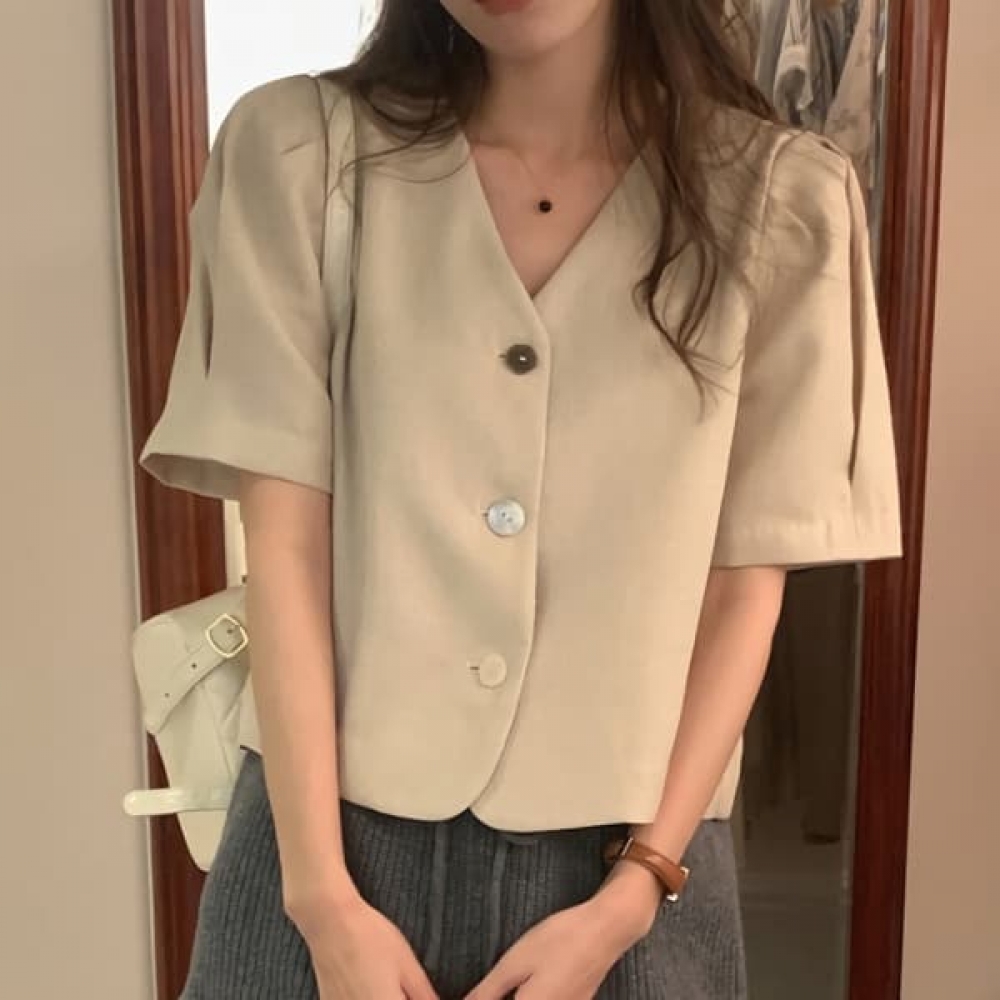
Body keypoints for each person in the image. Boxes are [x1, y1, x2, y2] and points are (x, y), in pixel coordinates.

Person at [138, 1, 903, 997]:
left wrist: (634, 892)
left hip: (628, 876)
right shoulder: (297, 154)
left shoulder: (781, 200)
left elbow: (743, 588)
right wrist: (322, 899)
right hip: (325, 856)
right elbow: (284, 548)